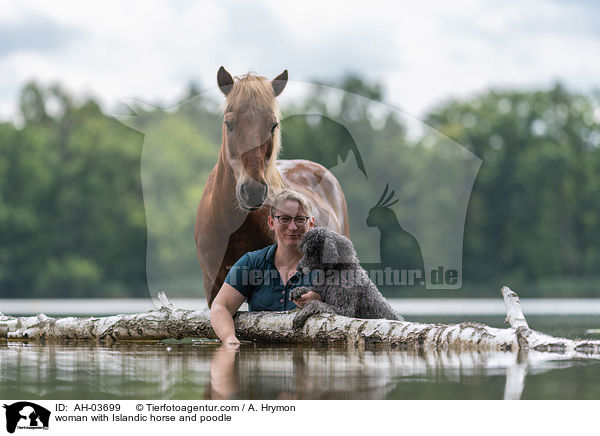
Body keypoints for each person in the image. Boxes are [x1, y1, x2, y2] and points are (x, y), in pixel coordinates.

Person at [210, 188, 322, 347]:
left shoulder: (328, 267)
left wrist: (321, 302)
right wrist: (230, 340)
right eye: (284, 219)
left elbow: (353, 310)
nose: (292, 227)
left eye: (299, 219)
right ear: (271, 222)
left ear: (310, 224)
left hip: (310, 363)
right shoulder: (251, 263)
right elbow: (221, 306)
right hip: (258, 363)